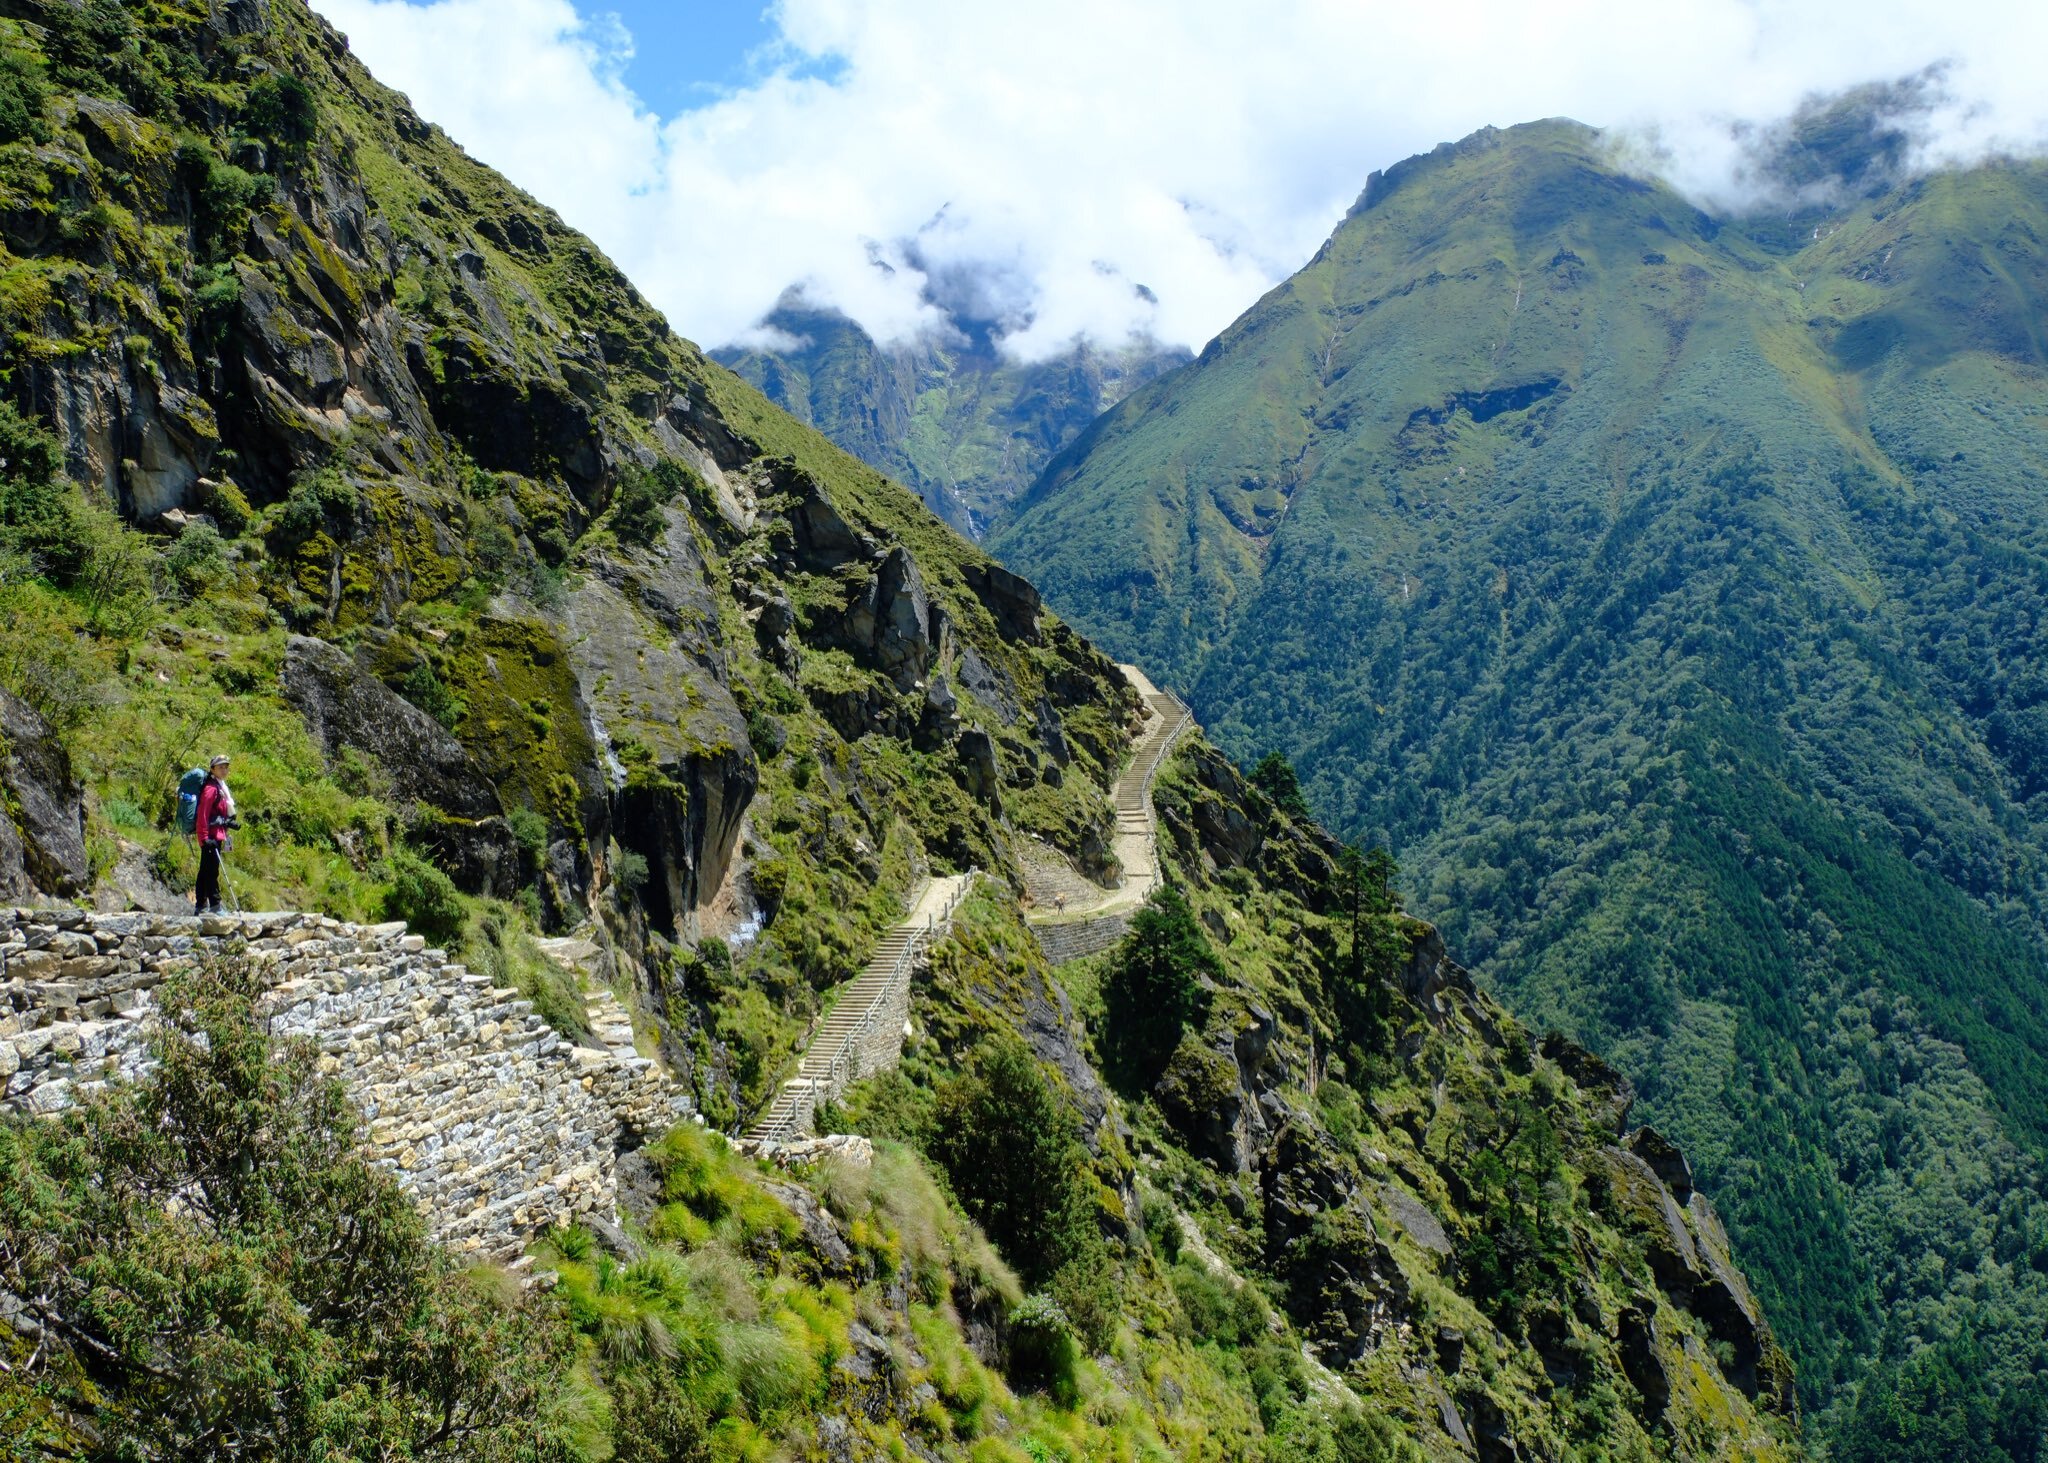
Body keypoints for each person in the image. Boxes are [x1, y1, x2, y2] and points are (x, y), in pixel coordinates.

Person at [194, 754, 235, 914]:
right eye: (220, 767)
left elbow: (217, 813)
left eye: (226, 767)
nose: (224, 770)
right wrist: (203, 838)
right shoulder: (211, 789)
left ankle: (201, 905)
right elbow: (203, 815)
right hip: (210, 837)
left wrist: (229, 822)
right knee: (211, 871)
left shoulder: (219, 788)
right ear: (213, 769)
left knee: (205, 870)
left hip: (216, 835)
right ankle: (215, 905)